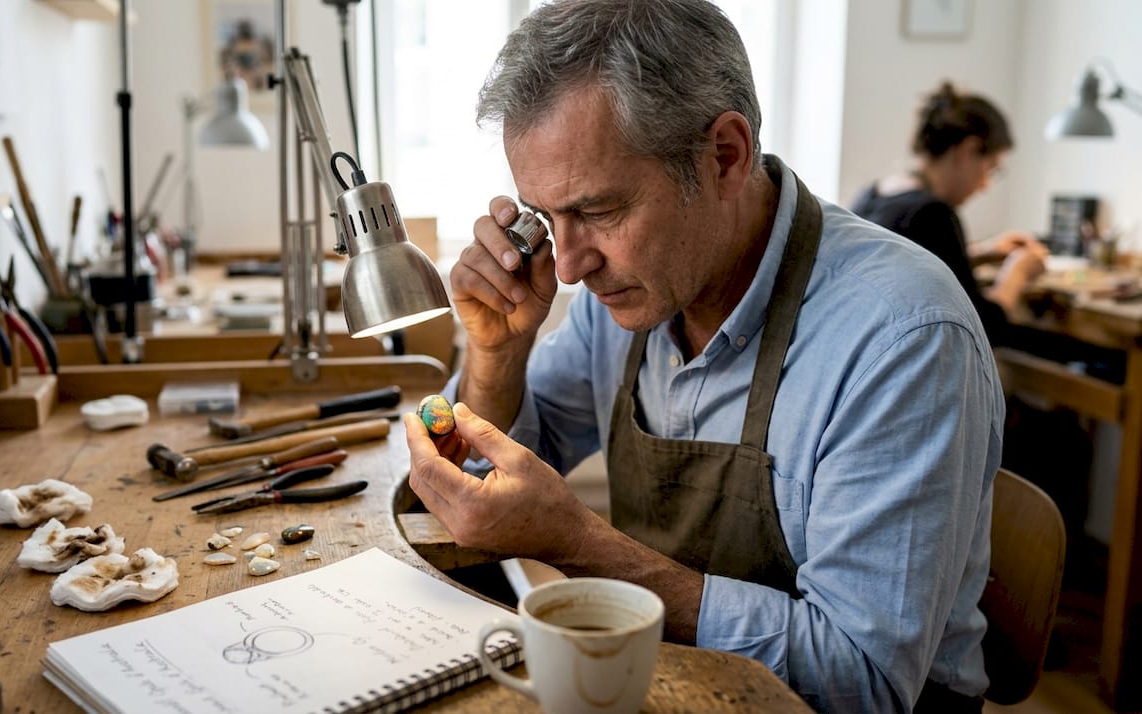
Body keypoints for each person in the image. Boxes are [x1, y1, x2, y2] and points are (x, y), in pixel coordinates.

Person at [402, 2, 1002, 711]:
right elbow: (487, 476)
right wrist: (497, 352)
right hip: (670, 680)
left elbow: (860, 681)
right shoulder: (625, 295)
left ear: (725, 156)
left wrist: (579, 543)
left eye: (597, 211)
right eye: (545, 217)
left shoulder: (902, 336)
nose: (566, 267)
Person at [850, 82, 1047, 346]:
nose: (985, 186)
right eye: (990, 168)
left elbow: (911, 260)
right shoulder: (931, 213)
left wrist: (981, 253)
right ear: (968, 151)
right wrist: (1017, 273)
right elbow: (983, 327)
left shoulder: (873, 195)